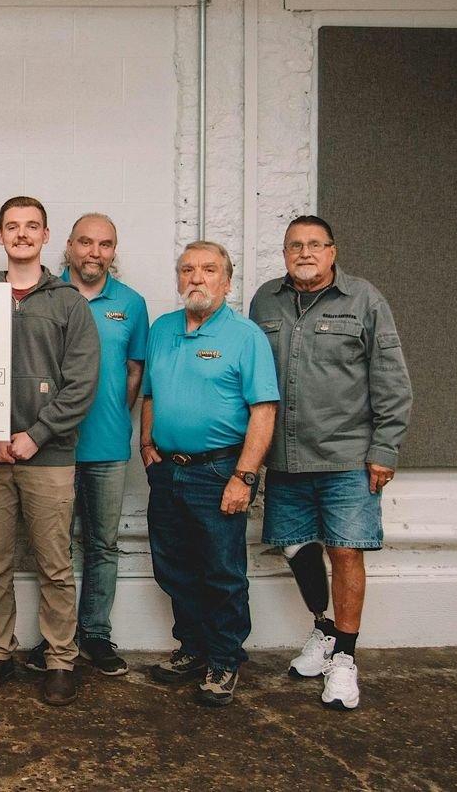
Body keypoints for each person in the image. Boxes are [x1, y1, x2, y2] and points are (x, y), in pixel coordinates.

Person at [249, 215, 412, 710]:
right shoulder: (265, 300)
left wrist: (385, 449)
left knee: (345, 552)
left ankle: (344, 658)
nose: (305, 253)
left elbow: (391, 379)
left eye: (315, 244)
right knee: (295, 546)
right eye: (295, 245)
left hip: (347, 457)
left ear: (333, 251)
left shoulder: (365, 300)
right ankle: (323, 631)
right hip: (284, 458)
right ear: (284, 254)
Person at [0, 196, 99, 707]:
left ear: (45, 236)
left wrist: (36, 435)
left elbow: (81, 384)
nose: (21, 234)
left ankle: (61, 660)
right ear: (0, 236)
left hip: (49, 458)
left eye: (31, 226)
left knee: (55, 566)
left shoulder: (69, 303)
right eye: (12, 226)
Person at [140, 240, 278, 707]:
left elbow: (263, 411)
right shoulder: (162, 329)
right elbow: (151, 394)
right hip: (167, 470)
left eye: (208, 269)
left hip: (219, 471)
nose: (196, 278)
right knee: (173, 567)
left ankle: (224, 659)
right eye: (187, 269)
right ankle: (194, 648)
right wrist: (146, 444)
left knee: (221, 572)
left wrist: (245, 476)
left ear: (227, 280)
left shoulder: (245, 336)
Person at [25, 214, 148, 677]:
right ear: (68, 246)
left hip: (107, 447)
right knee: (53, 548)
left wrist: (112, 413)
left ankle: (95, 634)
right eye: (85, 242)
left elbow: (134, 371)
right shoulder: (46, 295)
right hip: (52, 446)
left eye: (105, 244)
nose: (94, 252)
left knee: (103, 545)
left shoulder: (132, 304)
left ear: (113, 251)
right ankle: (57, 638)